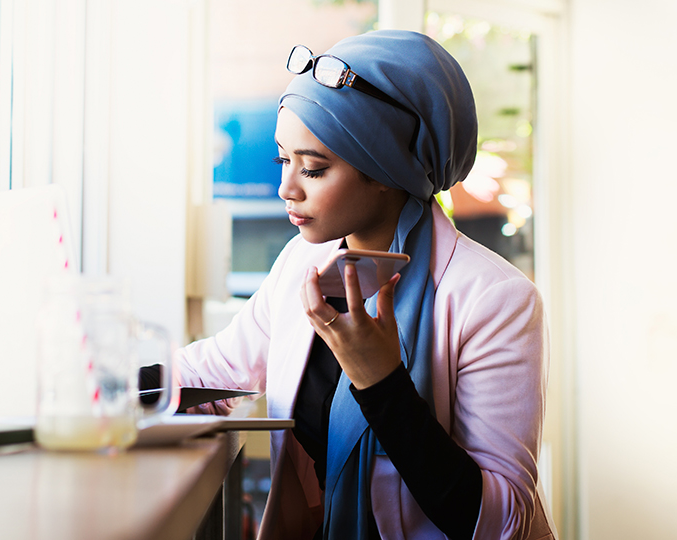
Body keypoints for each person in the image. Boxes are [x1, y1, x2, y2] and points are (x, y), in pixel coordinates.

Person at [171, 30, 555, 540]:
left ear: (385, 169)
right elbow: (215, 370)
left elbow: (503, 523)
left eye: (314, 168)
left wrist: (382, 383)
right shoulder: (301, 263)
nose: (286, 188)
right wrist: (100, 385)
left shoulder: (497, 301)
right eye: (283, 161)